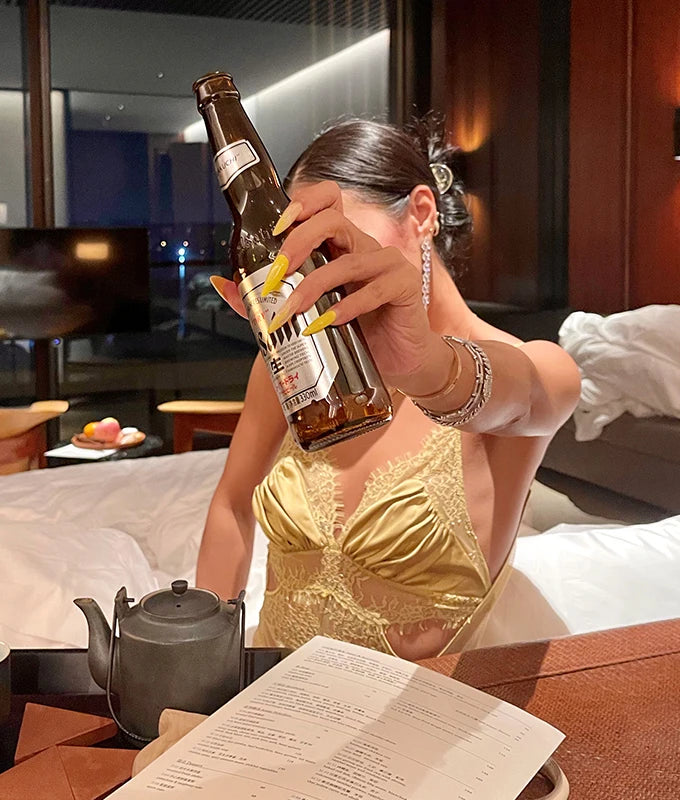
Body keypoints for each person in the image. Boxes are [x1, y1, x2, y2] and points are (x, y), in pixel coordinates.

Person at [196, 116, 580, 661]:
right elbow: (232, 503)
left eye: (337, 243)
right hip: (276, 690)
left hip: (425, 706)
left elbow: (530, 396)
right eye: (305, 256)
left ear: (421, 213)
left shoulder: (537, 367)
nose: (323, 275)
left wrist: (423, 365)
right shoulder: (297, 365)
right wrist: (201, 662)